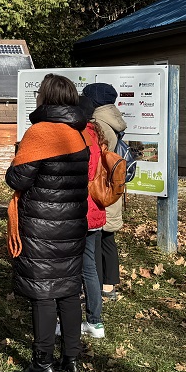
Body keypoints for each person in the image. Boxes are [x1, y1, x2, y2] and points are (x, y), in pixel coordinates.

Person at [5, 74, 88, 372]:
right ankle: (71, 359)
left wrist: (14, 161)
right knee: (68, 290)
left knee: (43, 293)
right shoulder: (79, 133)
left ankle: (42, 363)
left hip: (41, 226)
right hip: (73, 223)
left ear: (46, 97)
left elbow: (18, 179)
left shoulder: (39, 133)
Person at [84, 83, 127, 301]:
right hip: (112, 186)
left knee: (97, 241)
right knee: (108, 239)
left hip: (99, 188)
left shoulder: (97, 124)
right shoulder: (114, 119)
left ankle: (98, 286)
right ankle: (109, 285)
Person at [79, 104, 107, 340]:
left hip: (81, 211)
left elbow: (83, 174)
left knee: (73, 268)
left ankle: (64, 319)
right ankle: (95, 321)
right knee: (89, 268)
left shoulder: (81, 137)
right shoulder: (97, 136)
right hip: (97, 209)